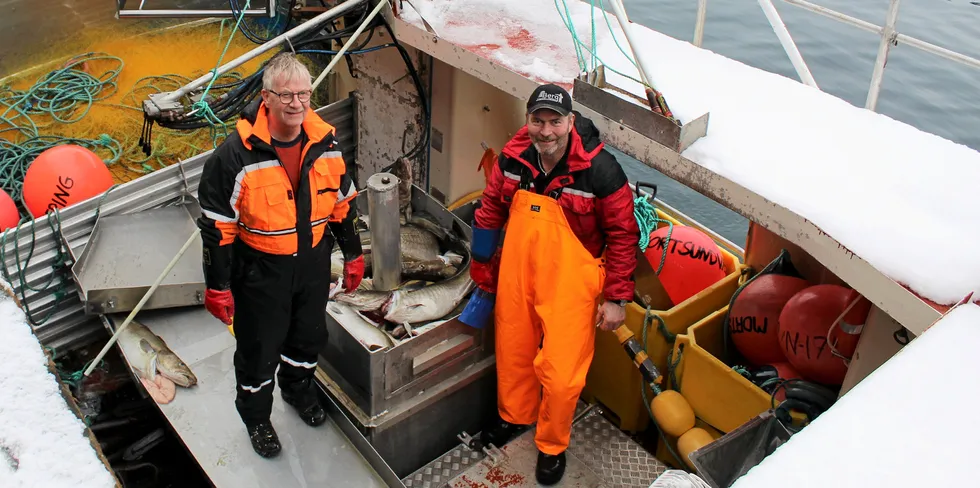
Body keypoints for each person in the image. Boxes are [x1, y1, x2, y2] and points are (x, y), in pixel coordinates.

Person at [460, 83, 640, 485]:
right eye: (537, 121)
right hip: (518, 272)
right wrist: (483, 267)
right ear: (528, 121)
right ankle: (514, 418)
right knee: (514, 354)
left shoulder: (602, 170)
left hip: (572, 283)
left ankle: (552, 445)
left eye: (554, 122)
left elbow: (624, 234)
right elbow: (490, 210)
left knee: (561, 375)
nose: (546, 131)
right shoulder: (512, 157)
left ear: (570, 122)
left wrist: (617, 298)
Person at [196, 52, 365, 459]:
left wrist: (354, 253)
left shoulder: (326, 142)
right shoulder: (233, 156)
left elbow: (343, 203)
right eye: (286, 95)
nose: (297, 103)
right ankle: (256, 418)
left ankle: (298, 391)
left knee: (308, 337)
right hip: (260, 270)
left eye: (304, 94)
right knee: (258, 349)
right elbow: (218, 229)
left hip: (312, 264)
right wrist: (218, 287)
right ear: (266, 98)